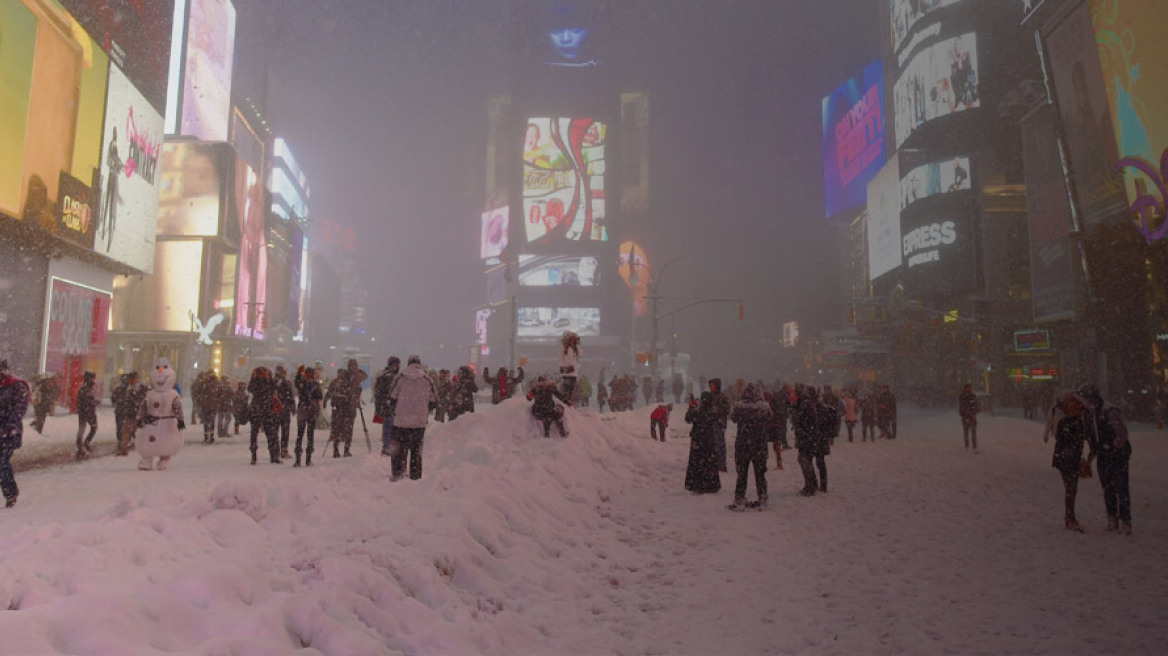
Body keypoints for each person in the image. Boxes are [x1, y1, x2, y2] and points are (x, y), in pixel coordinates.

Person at [1078, 383, 1133, 534]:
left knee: (1121, 488)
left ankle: (1125, 521)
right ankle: (1112, 518)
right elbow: (1090, 437)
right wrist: (1092, 455)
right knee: (1108, 488)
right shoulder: (1087, 415)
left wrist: (1113, 446)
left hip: (1118, 455)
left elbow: (1122, 433)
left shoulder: (1109, 411)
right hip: (1103, 455)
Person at [1044, 391, 1095, 532]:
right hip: (1067, 460)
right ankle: (1070, 518)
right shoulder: (1070, 422)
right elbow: (1069, 443)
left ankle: (1070, 517)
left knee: (1071, 488)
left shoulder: (1074, 422)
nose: (1077, 408)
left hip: (1066, 459)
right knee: (1071, 488)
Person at [389, 355, 437, 481]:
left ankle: (398, 473)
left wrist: (396, 412)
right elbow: (434, 401)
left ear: (408, 363)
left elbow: (392, 397)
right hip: (419, 423)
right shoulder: (427, 379)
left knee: (399, 450)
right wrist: (424, 411)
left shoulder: (400, 377)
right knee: (416, 451)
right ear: (419, 364)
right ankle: (415, 475)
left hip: (401, 422)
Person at [728, 383, 774, 510]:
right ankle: (763, 498)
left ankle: (739, 499)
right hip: (759, 444)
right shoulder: (764, 407)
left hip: (743, 444)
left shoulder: (740, 406)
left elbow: (733, 418)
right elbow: (770, 418)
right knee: (760, 474)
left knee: (742, 474)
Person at [135, 359, 186, 471]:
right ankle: (147, 459)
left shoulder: (172, 395)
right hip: (151, 422)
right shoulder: (150, 394)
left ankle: (164, 459)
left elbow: (177, 407)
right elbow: (144, 407)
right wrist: (140, 418)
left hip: (167, 423)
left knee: (166, 443)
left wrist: (180, 419)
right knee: (148, 443)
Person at [0, 360, 31, 508]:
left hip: (8, 434)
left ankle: (10, 493)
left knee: (1, 462)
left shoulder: (17, 386)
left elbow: (19, 408)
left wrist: (10, 425)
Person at [684, 392, 721, 494]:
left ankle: (696, 484)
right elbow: (716, 417)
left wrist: (691, 407)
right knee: (709, 462)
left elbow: (687, 419)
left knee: (696, 462)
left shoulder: (697, 411)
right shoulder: (712, 412)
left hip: (698, 439)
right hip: (709, 439)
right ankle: (711, 485)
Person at [247, 366, 281, 465]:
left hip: (256, 410)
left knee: (254, 434)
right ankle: (273, 456)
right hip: (266, 411)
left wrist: (254, 378)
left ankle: (254, 457)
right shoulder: (268, 382)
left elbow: (250, 389)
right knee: (271, 434)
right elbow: (275, 386)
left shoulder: (255, 382)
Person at [793, 385, 822, 496]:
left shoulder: (806, 404)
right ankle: (812, 484)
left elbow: (803, 421)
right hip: (809, 436)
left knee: (804, 460)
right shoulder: (810, 403)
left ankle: (810, 485)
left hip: (806, 437)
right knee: (806, 460)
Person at [293, 365, 323, 467]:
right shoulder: (315, 385)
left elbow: (297, 382)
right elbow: (320, 396)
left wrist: (298, 374)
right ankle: (308, 460)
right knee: (310, 436)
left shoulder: (302, 383)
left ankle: (298, 460)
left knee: (300, 435)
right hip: (311, 411)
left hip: (303, 411)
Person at [374, 357, 402, 455]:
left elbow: (377, 393)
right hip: (391, 406)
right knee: (391, 427)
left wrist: (379, 406)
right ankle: (389, 447)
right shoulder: (392, 377)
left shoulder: (383, 375)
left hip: (385, 405)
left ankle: (387, 446)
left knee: (387, 427)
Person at [115, 372, 147, 456]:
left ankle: (141, 448)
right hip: (131, 414)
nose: (131, 381)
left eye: (133, 379)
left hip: (137, 414)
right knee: (126, 431)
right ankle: (124, 449)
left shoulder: (140, 388)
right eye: (130, 379)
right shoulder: (131, 388)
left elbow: (141, 401)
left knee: (137, 432)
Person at [274, 365, 296, 459]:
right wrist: (292, 407)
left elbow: (290, 396)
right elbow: (290, 396)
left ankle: (277, 451)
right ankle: (282, 450)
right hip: (281, 410)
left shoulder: (273, 382)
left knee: (277, 432)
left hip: (278, 410)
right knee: (283, 431)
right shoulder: (284, 383)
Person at [709, 378, 731, 472]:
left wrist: (717, 410)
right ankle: (714, 462)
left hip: (719, 423)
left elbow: (727, 409)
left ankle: (721, 463)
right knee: (713, 443)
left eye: (712, 385)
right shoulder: (710, 396)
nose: (711, 387)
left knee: (719, 443)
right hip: (711, 423)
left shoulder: (723, 396)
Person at [75, 371, 98, 459]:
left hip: (89, 412)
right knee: (83, 429)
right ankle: (80, 446)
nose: (94, 380)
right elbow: (84, 401)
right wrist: (93, 403)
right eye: (93, 378)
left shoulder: (90, 387)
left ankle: (84, 444)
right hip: (86, 412)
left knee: (92, 428)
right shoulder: (84, 389)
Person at [559, 331, 581, 404]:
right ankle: (566, 400)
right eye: (571, 339)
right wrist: (561, 367)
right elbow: (560, 358)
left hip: (573, 372)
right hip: (566, 371)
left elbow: (580, 354)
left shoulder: (575, 348)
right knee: (567, 387)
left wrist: (577, 345)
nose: (572, 341)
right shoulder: (564, 348)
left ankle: (568, 400)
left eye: (574, 340)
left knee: (571, 388)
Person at [958, 384, 979, 453]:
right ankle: (966, 446)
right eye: (968, 388)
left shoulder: (973, 396)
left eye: (970, 388)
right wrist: (969, 413)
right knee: (966, 432)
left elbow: (977, 406)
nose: (969, 389)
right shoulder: (962, 397)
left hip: (972, 417)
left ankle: (974, 446)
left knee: (973, 432)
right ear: (965, 389)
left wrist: (974, 413)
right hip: (965, 417)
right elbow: (963, 408)